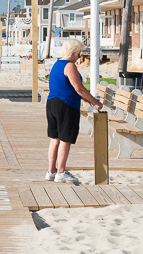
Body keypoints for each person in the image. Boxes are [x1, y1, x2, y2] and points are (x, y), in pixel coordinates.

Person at [45, 39, 103, 184]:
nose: (79, 57)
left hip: (52, 103)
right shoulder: (69, 66)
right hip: (66, 104)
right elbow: (79, 89)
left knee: (55, 138)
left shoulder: (56, 64)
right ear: (71, 53)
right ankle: (61, 172)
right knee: (66, 139)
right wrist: (95, 102)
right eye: (78, 54)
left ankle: (51, 171)